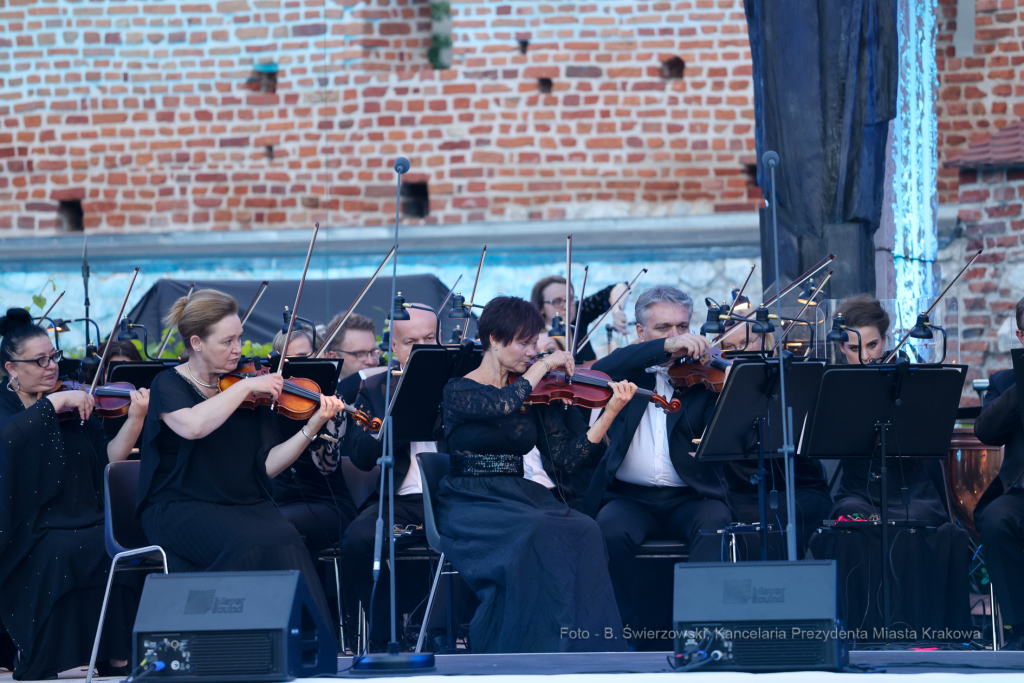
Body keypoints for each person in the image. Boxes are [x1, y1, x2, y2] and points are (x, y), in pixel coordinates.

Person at [135, 290, 345, 630]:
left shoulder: (250, 386)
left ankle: (311, 650)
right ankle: (243, 650)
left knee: (289, 541)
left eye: (240, 339)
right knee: (249, 547)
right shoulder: (168, 384)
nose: (238, 348)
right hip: (178, 505)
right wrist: (244, 389)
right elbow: (193, 426)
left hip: (242, 502)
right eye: (227, 341)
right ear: (197, 343)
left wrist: (313, 426)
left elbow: (267, 466)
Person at [438, 296, 636, 653]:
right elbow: (502, 404)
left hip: (517, 493)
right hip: (472, 498)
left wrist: (609, 412)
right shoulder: (458, 390)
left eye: (535, 344)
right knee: (536, 530)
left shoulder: (533, 393)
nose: (532, 352)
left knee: (585, 528)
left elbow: (565, 457)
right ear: (494, 341)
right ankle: (530, 646)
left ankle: (585, 646)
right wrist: (543, 365)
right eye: (524, 344)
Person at [0, 307, 149, 680]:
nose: (52, 366)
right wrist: (52, 404)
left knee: (106, 545)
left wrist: (134, 421)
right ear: (12, 369)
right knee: (62, 551)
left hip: (83, 514)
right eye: (40, 361)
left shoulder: (77, 400)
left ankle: (116, 652)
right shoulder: (9, 408)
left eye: (54, 357)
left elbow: (107, 462)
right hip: (28, 525)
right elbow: (8, 441)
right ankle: (59, 655)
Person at [585, 285, 732, 633]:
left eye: (682, 327)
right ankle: (623, 630)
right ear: (641, 333)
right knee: (607, 531)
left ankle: (700, 633)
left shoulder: (703, 374)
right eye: (663, 329)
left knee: (716, 524)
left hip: (691, 496)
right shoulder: (626, 370)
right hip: (630, 497)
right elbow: (601, 368)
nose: (677, 337)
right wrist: (663, 349)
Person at [336, 305, 438, 650]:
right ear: (393, 347)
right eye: (411, 342)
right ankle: (385, 632)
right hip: (402, 503)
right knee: (358, 540)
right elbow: (362, 456)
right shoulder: (377, 389)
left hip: (454, 496)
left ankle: (444, 630)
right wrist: (398, 416)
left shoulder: (460, 383)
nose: (422, 348)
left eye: (430, 339)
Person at [825, 295, 946, 524]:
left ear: (884, 339)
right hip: (859, 492)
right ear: (841, 347)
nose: (865, 357)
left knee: (921, 518)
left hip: (911, 490)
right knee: (853, 518)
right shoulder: (835, 385)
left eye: (872, 345)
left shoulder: (904, 374)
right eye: (854, 348)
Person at [714, 324, 830, 558]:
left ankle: (783, 588)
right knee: (735, 520)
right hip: (740, 492)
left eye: (747, 343)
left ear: (765, 341)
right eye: (730, 346)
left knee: (774, 517)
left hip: (798, 487)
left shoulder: (791, 380)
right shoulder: (715, 385)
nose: (740, 351)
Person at [271, 334, 357, 564]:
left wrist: (317, 421)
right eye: (287, 361)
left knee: (276, 526)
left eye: (302, 358)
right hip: (278, 503)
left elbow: (327, 466)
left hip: (326, 503)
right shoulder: (270, 403)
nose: (295, 369)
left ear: (321, 358)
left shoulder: (333, 402)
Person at [975, 295, 1024, 649]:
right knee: (995, 519)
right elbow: (986, 432)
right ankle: (1019, 630)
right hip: (1020, 494)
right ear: (1022, 337)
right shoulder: (1004, 381)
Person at [530, 276, 627, 362]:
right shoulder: (533, 334)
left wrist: (617, 311)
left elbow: (620, 287)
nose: (566, 306)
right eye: (557, 301)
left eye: (570, 299)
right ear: (541, 307)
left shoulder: (579, 315)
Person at [321, 313, 382, 404]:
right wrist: (362, 375)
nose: (371, 361)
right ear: (334, 357)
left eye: (373, 352)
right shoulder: (321, 389)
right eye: (359, 354)